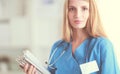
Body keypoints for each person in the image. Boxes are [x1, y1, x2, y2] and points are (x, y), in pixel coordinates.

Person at [22, 0, 120, 74]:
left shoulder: (103, 46)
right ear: (67, 13)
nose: (77, 15)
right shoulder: (57, 48)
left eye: (84, 8)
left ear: (91, 12)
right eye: (72, 9)